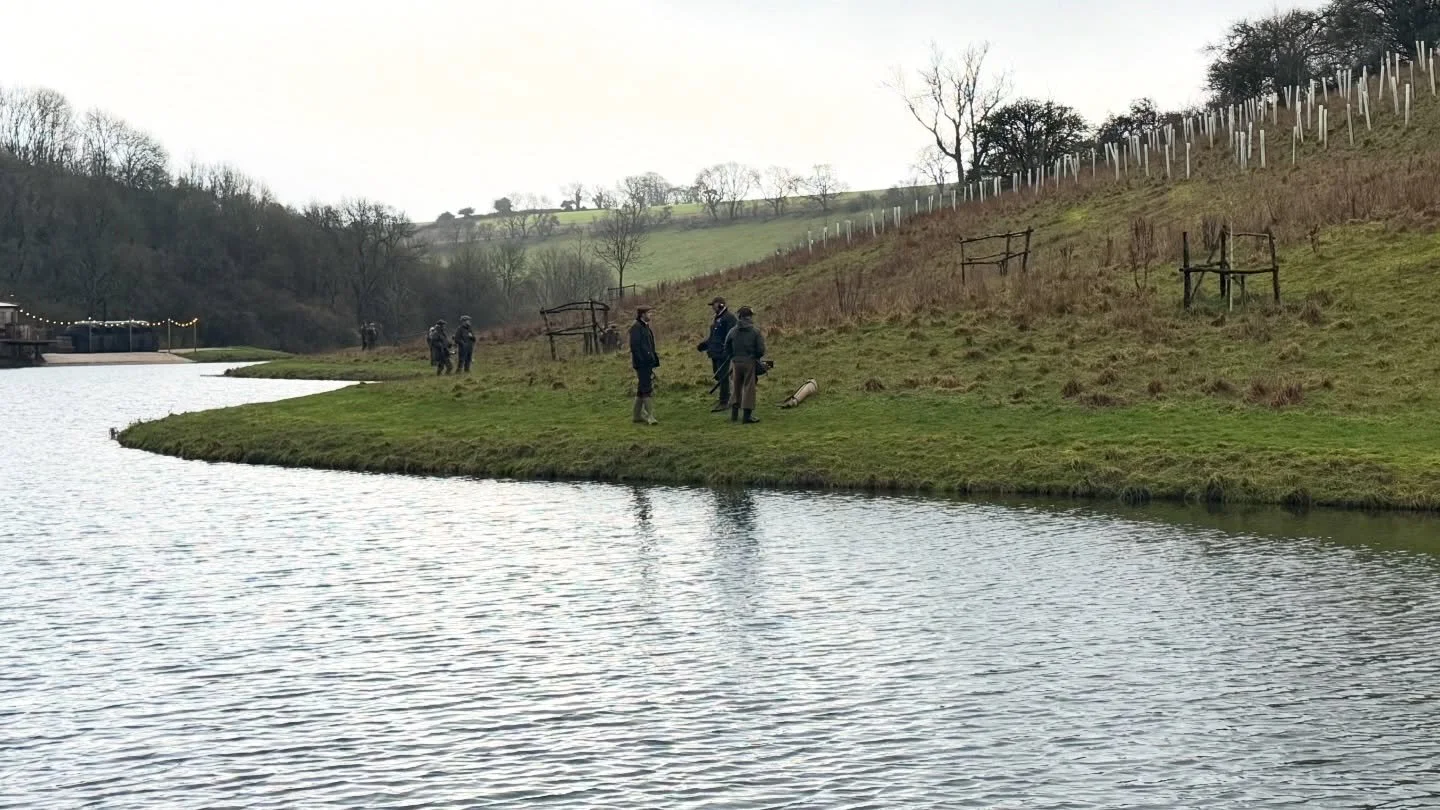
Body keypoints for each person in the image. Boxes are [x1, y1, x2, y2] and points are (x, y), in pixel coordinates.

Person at [723, 306, 766, 424]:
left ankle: (734, 415)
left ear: (740, 316)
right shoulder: (755, 331)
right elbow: (761, 350)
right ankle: (747, 417)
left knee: (736, 387)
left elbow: (726, 345)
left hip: (736, 362)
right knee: (749, 388)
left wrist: (732, 356)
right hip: (749, 362)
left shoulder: (733, 331)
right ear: (749, 317)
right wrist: (755, 356)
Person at [697, 296, 738, 413]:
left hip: (723, 353)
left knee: (723, 377)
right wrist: (704, 345)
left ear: (721, 304)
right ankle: (729, 397)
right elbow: (714, 337)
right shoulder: (717, 318)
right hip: (715, 352)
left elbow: (731, 336)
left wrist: (728, 350)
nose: (712, 308)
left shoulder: (729, 318)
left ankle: (724, 401)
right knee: (718, 376)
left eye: (714, 305)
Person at [628, 306, 659, 425]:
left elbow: (650, 346)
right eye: (649, 313)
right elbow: (635, 347)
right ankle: (650, 416)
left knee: (641, 389)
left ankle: (636, 416)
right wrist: (642, 362)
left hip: (647, 363)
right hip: (642, 364)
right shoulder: (636, 327)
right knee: (646, 388)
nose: (651, 315)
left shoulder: (645, 327)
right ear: (642, 314)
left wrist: (654, 360)